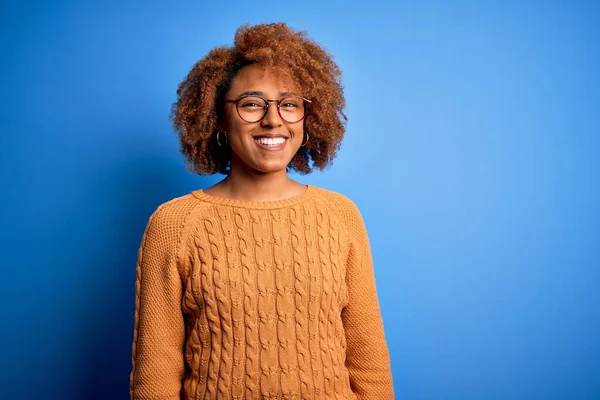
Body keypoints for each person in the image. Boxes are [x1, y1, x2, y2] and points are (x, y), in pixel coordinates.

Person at [129, 22, 394, 400]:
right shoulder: (174, 224)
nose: (273, 120)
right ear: (217, 117)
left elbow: (369, 363)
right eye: (252, 104)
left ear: (307, 117)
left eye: (289, 104)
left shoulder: (340, 215)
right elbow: (156, 373)